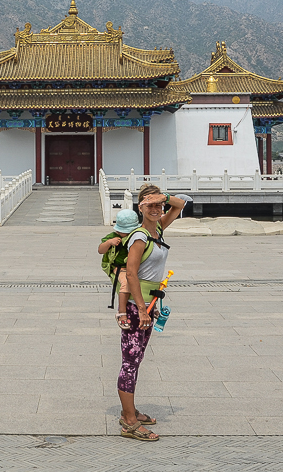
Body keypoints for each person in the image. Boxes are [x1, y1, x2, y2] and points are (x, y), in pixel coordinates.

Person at [117, 184, 186, 441]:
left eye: (159, 205)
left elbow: (180, 206)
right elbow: (131, 273)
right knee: (130, 362)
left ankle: (129, 410)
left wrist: (164, 198)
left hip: (149, 305)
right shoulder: (139, 237)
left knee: (137, 359)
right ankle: (129, 422)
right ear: (140, 207)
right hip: (138, 307)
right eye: (150, 205)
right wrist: (142, 310)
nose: (157, 209)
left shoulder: (156, 229)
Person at [98, 209, 139, 329]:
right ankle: (121, 312)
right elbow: (100, 250)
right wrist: (109, 243)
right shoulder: (113, 237)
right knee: (126, 283)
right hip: (121, 268)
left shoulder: (137, 236)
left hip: (135, 267)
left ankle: (154, 307)